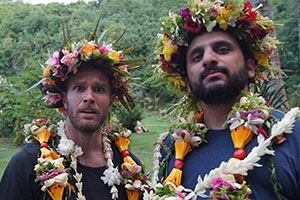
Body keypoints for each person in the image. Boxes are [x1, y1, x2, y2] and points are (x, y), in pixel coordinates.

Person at [148, 0, 300, 199]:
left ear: (250, 67)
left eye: (222, 50)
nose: (208, 59)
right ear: (187, 84)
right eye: (196, 57)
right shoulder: (171, 147)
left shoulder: (290, 132)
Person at [0, 20, 148, 200]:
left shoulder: (130, 168)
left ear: (110, 102)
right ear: (64, 99)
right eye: (79, 88)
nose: (89, 97)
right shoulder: (28, 163)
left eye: (99, 89)